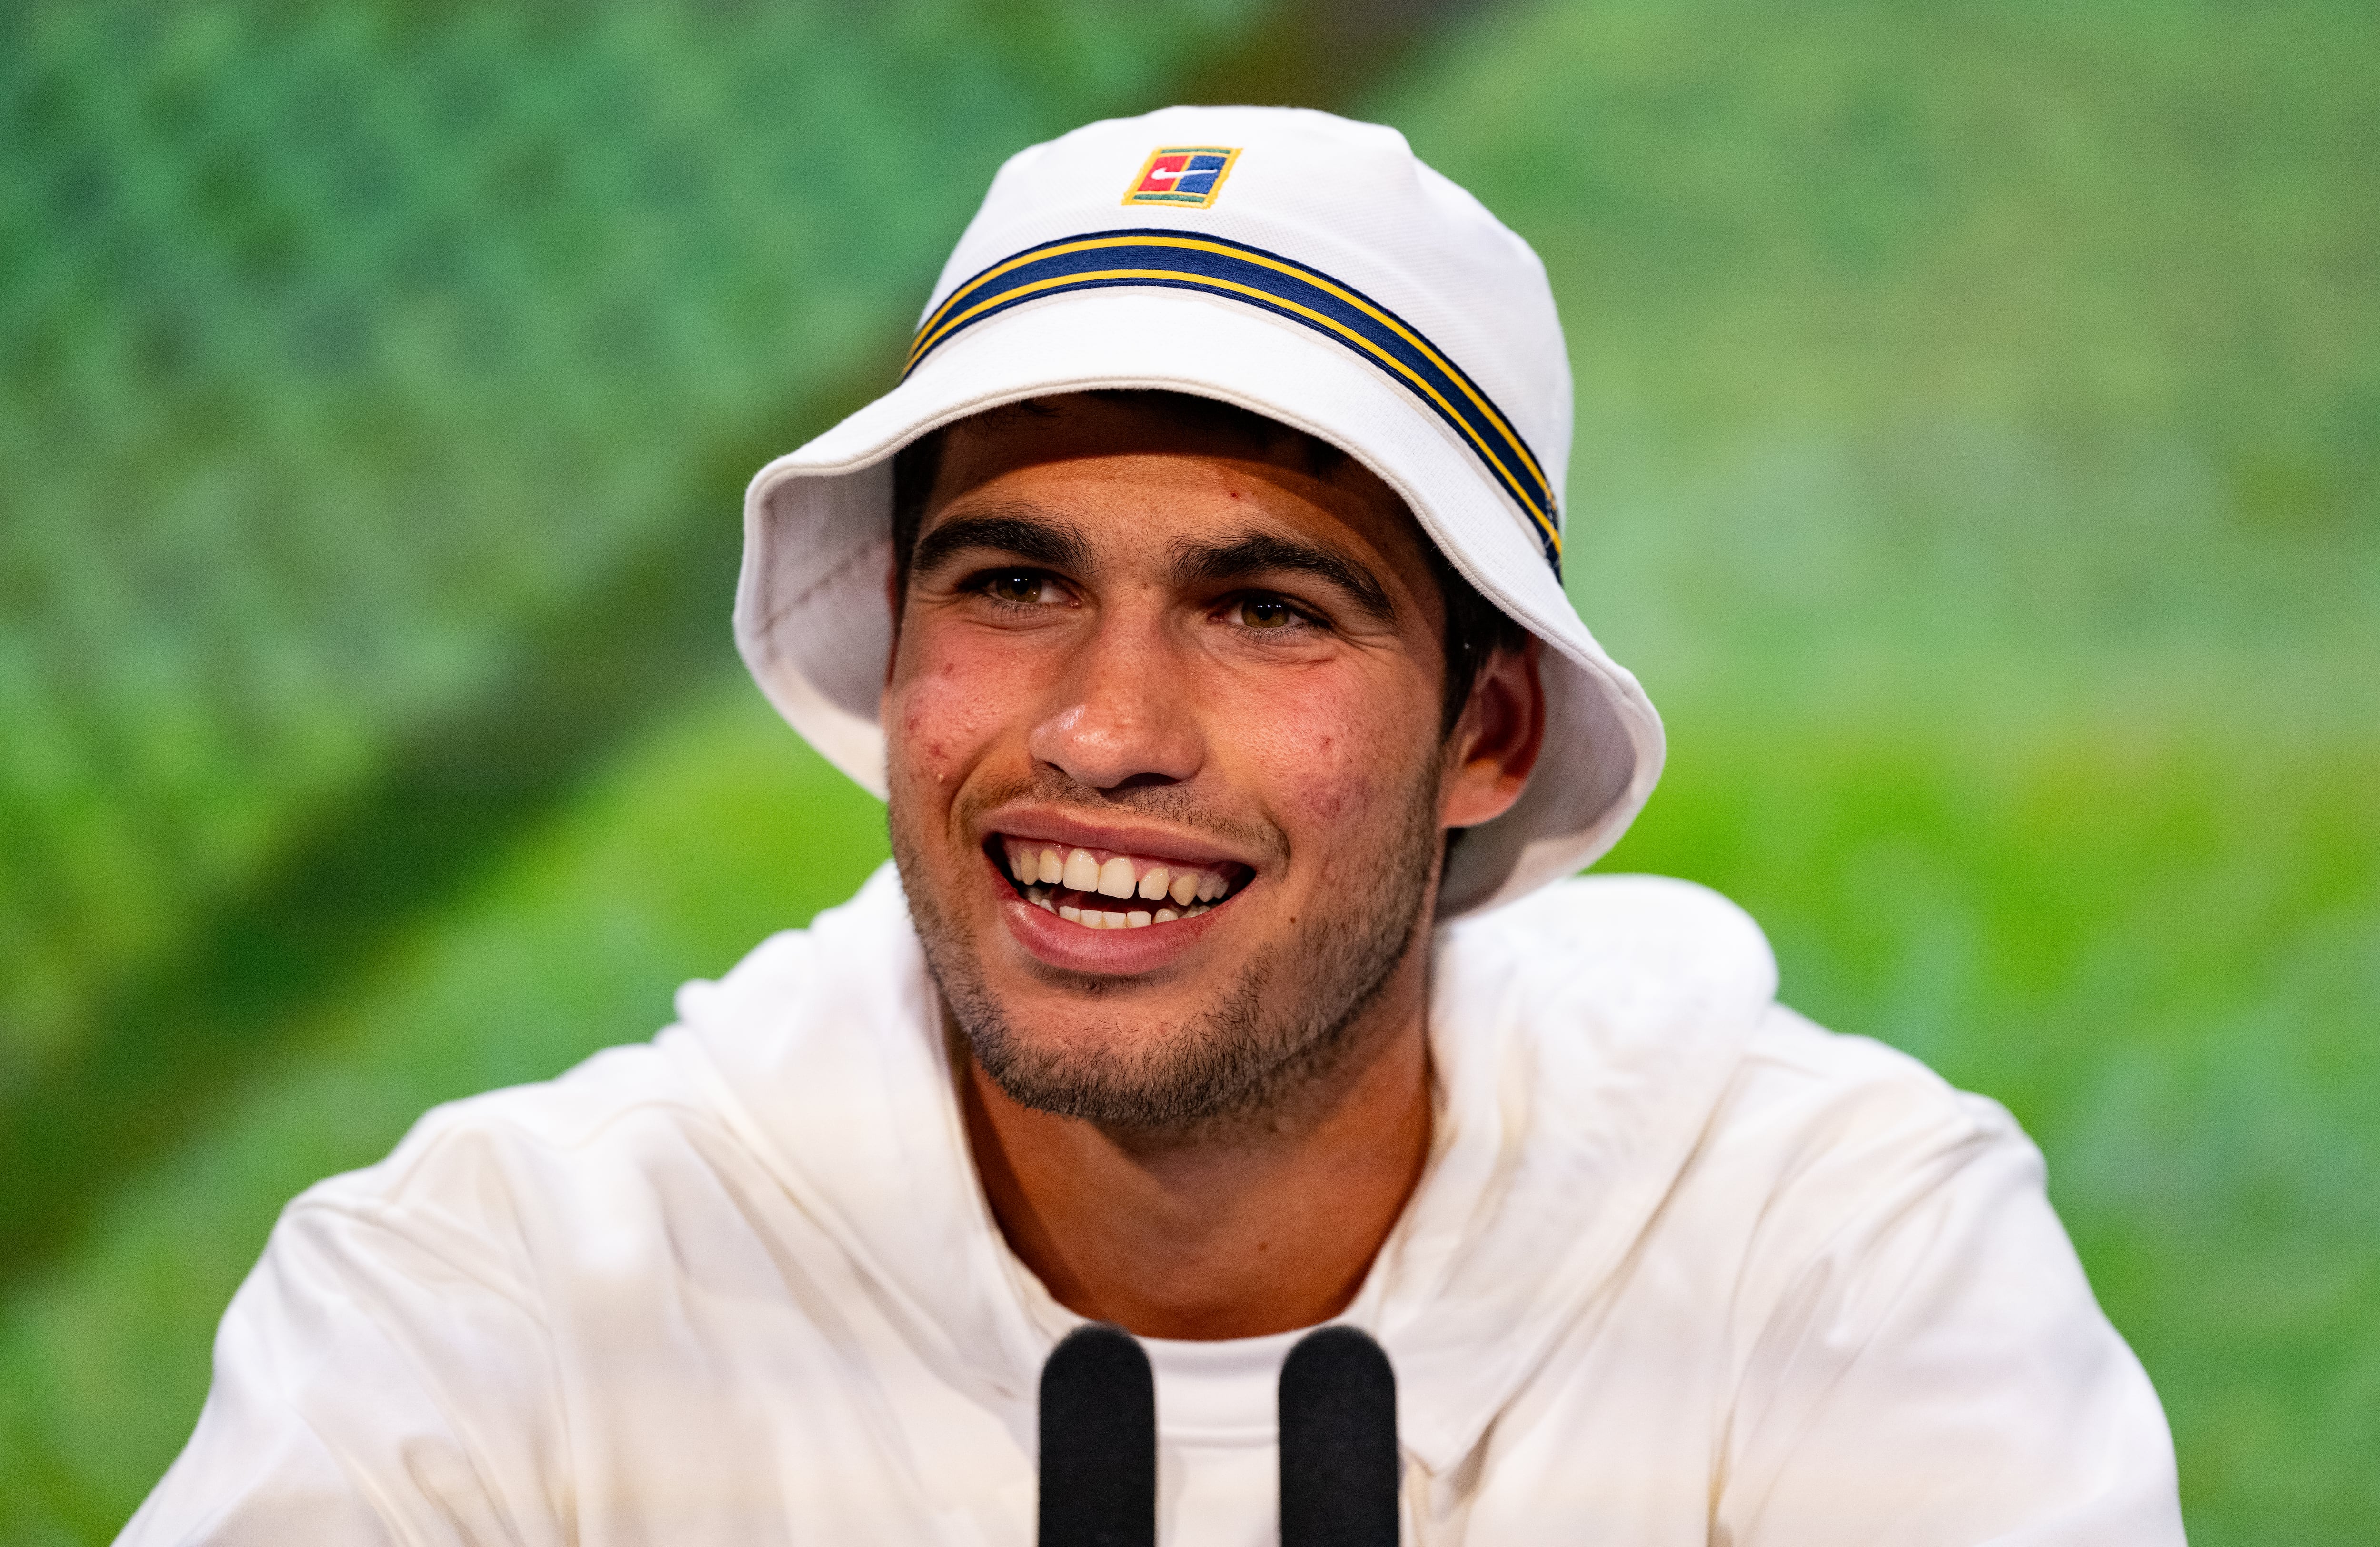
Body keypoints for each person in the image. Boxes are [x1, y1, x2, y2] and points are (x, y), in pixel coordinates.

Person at [122, 106, 2184, 1545]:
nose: (1103, 734)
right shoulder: (483, 1303)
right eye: (1011, 586)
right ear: (898, 649)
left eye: (1266, 609)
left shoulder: (1835, 1262)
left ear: (1485, 730)